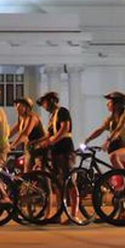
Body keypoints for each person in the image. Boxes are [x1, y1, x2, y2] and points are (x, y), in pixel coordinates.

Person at [35, 91, 77, 224]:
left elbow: (65, 128)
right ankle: (58, 214)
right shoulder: (52, 117)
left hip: (65, 150)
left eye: (45, 102)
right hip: (55, 152)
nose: (44, 106)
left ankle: (74, 215)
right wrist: (37, 143)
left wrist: (52, 141)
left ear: (52, 100)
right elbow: (48, 134)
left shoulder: (62, 111)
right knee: (57, 184)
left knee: (69, 181)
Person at [84, 92, 125, 169]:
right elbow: (100, 129)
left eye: (110, 102)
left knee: (114, 157)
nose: (107, 104)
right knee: (114, 165)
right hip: (120, 147)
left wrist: (108, 141)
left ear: (117, 104)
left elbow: (118, 130)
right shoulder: (112, 118)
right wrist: (88, 139)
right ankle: (123, 178)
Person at [8, 97, 46, 172]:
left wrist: (13, 146)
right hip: (30, 147)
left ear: (27, 108)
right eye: (17, 107)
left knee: (39, 170)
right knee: (27, 171)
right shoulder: (21, 118)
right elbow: (15, 130)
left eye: (20, 107)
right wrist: (4, 139)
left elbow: (24, 133)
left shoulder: (32, 117)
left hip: (39, 146)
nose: (17, 109)